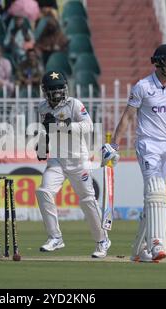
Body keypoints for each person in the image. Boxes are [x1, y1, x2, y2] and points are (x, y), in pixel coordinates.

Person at [102, 44, 166, 263]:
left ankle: (138, 249)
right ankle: (156, 243)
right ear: (159, 62)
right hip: (147, 145)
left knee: (154, 199)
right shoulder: (143, 86)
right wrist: (114, 145)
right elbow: (127, 117)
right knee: (156, 190)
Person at [35, 70, 111, 258]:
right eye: (53, 90)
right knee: (44, 192)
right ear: (46, 91)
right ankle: (55, 237)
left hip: (78, 160)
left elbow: (89, 126)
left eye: (59, 89)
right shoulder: (42, 108)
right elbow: (45, 130)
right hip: (57, 160)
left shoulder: (74, 104)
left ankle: (102, 240)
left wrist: (65, 125)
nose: (57, 93)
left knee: (87, 201)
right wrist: (42, 147)